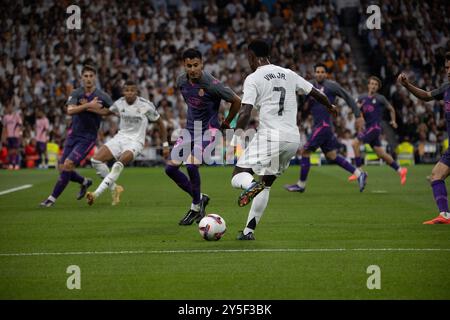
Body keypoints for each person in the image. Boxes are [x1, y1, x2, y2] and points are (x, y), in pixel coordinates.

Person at [230, 40, 338, 240]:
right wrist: (330, 106)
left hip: (271, 136)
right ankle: (248, 231)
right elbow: (316, 93)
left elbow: (245, 111)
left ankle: (250, 185)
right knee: (267, 183)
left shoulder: (253, 78)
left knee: (238, 175)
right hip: (292, 139)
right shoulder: (288, 73)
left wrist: (234, 139)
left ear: (251, 56)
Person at [165, 48, 242, 226]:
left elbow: (236, 100)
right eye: (189, 66)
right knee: (170, 169)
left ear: (202, 64)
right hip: (190, 130)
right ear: (184, 65)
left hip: (209, 130)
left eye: (196, 65)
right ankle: (200, 198)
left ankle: (195, 207)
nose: (192, 69)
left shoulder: (212, 84)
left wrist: (226, 122)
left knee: (191, 165)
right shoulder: (181, 81)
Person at [284, 63, 367, 193]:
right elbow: (302, 100)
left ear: (326, 74)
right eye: (317, 71)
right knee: (332, 155)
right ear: (314, 73)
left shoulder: (331, 86)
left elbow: (348, 97)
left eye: (322, 72)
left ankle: (301, 184)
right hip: (320, 126)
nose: (320, 74)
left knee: (305, 151)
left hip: (324, 125)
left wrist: (358, 115)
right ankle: (359, 173)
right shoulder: (309, 85)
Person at [40, 64, 113, 207]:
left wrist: (98, 110)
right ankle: (85, 182)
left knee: (68, 165)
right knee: (61, 167)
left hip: (88, 137)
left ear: (95, 78)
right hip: (73, 135)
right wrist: (88, 106)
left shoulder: (102, 95)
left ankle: (51, 199)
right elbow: (70, 110)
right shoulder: (76, 93)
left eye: (91, 76)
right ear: (81, 78)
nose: (88, 79)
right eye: (85, 76)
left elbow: (114, 110)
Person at [86, 81, 169, 206]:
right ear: (123, 92)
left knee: (118, 164)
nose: (129, 93)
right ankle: (115, 188)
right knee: (95, 161)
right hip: (120, 138)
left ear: (136, 92)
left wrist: (165, 145)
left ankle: (95, 194)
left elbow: (160, 123)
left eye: (132, 90)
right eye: (127, 90)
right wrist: (88, 107)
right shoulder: (119, 103)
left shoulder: (146, 105)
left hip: (136, 142)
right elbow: (106, 112)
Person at [397, 51, 450, 225]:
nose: (448, 71)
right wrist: (407, 85)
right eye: (447, 68)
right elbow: (426, 96)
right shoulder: (446, 87)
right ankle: (445, 215)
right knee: (436, 175)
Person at [348, 76, 408, 184]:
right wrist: (356, 107)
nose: (373, 86)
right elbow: (350, 111)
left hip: (374, 128)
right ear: (368, 85)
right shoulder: (361, 97)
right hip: (368, 128)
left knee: (354, 144)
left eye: (375, 84)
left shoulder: (380, 98)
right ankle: (400, 170)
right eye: (372, 83)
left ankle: (359, 171)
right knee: (381, 154)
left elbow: (391, 109)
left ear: (378, 87)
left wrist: (393, 121)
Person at [1, 103, 23, 170]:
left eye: (11, 107)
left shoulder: (17, 116)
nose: (10, 108)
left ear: (13, 108)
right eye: (8, 107)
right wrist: (3, 137)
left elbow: (20, 126)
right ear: (7, 108)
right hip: (9, 136)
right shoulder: (5, 117)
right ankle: (11, 164)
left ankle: (16, 164)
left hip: (15, 136)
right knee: (10, 150)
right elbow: (4, 128)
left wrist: (20, 135)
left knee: (15, 150)